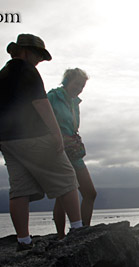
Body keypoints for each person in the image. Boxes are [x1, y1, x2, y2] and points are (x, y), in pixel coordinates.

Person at [0, 34, 84, 251]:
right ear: (24, 51)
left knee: (19, 189)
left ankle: (23, 241)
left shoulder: (1, 75)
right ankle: (79, 230)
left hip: (8, 140)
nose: (39, 60)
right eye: (37, 54)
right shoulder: (27, 70)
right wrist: (56, 134)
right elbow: (41, 103)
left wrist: (3, 139)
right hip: (33, 136)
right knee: (67, 177)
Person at [47, 68, 97, 237]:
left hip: (74, 152)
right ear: (67, 81)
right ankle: (61, 237)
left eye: (82, 86)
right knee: (63, 195)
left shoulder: (75, 103)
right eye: (77, 84)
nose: (79, 88)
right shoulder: (53, 97)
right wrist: (58, 138)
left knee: (89, 193)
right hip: (58, 151)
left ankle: (82, 232)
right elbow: (40, 120)